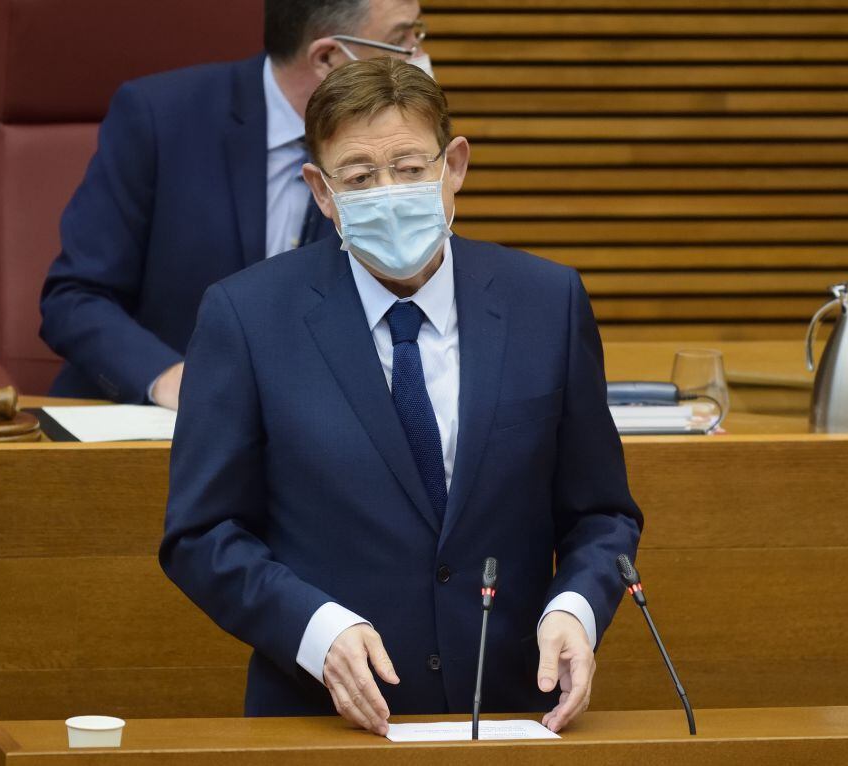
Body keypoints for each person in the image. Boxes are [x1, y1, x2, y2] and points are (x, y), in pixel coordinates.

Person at [160, 59, 643, 736]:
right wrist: (316, 629)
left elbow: (600, 515)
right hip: (324, 722)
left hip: (509, 715)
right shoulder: (247, 317)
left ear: (455, 166)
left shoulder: (547, 302)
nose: (389, 193)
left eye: (411, 168)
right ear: (321, 193)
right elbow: (201, 534)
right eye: (359, 178)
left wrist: (576, 609)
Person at [39, 0, 430, 407]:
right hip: (158, 434)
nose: (418, 58)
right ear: (329, 57)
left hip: (321, 432)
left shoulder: (403, 155)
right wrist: (169, 380)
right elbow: (75, 298)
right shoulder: (158, 119)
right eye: (399, 40)